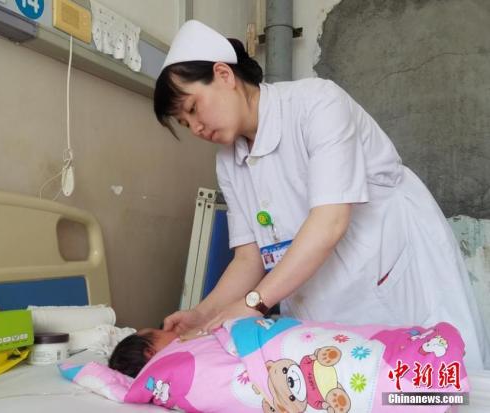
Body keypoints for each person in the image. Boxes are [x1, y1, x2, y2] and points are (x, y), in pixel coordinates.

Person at [153, 20, 489, 370]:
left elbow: (330, 221)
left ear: (224, 75)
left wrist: (255, 302)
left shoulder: (317, 103)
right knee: (340, 382)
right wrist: (202, 314)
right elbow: (249, 258)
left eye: (193, 109)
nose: (196, 128)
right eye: (185, 124)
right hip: (322, 296)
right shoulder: (228, 161)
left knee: (428, 377)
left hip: (391, 275)